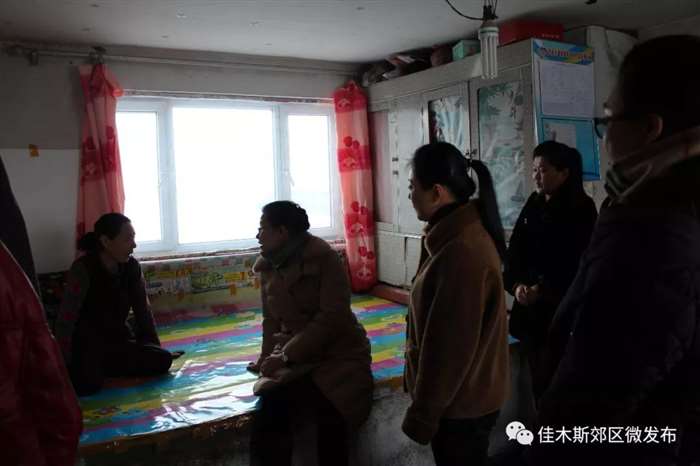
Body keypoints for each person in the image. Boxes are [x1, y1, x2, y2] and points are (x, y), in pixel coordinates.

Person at [530, 35, 700, 465]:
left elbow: (585, 414)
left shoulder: (652, 236)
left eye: (607, 119)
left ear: (649, 129)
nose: (604, 138)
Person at [402, 142, 510, 466]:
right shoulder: (449, 237)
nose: (409, 195)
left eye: (412, 187)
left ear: (436, 193)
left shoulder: (461, 252)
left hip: (463, 405)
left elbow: (448, 351)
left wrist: (423, 414)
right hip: (465, 398)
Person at [248, 201, 373, 466]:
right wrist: (265, 359)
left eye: (262, 229)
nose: (257, 236)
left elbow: (333, 318)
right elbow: (271, 320)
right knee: (269, 413)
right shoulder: (269, 265)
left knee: (333, 412)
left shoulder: (324, 259)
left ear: (282, 232)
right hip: (295, 353)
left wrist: (285, 356)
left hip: (338, 353)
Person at [504, 141, 597, 402]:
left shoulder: (582, 209)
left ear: (564, 173)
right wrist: (516, 285)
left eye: (543, 170)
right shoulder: (533, 204)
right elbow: (516, 251)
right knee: (533, 380)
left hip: (562, 312)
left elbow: (580, 263)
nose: (536, 176)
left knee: (558, 384)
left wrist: (543, 290)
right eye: (534, 169)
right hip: (529, 312)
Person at [55, 213, 180, 396]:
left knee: (163, 360)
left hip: (119, 342)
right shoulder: (83, 269)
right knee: (86, 385)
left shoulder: (131, 267)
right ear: (106, 241)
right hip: (87, 344)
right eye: (128, 239)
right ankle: (95, 369)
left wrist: (153, 348)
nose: (134, 245)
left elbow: (143, 311)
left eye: (134, 238)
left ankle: (105, 368)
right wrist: (61, 362)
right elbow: (66, 319)